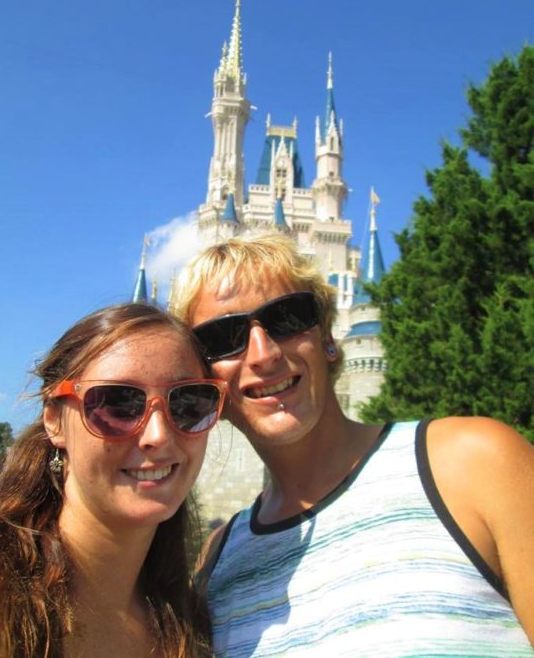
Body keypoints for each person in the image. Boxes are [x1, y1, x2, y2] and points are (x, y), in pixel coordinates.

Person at [172, 234, 534, 657]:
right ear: (204, 380)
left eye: (287, 317)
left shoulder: (471, 464)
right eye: (224, 337)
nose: (264, 354)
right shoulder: (217, 565)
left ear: (327, 336)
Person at [0, 303, 227, 657]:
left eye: (187, 403)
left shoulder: (191, 626)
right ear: (53, 419)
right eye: (117, 403)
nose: (157, 435)